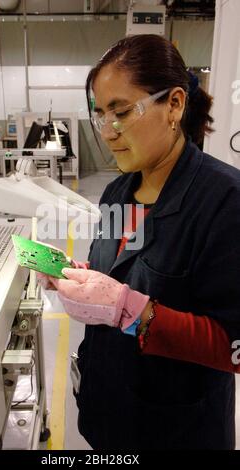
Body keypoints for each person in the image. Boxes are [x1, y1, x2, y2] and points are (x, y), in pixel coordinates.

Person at [45, 34, 240, 450]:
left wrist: (130, 311)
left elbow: (232, 346)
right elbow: (118, 273)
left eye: (122, 111)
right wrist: (78, 278)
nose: (108, 131)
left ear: (174, 104)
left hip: (174, 430)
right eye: (100, 115)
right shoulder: (118, 192)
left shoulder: (224, 200)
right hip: (107, 413)